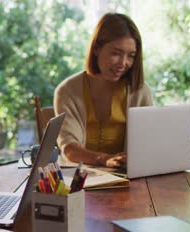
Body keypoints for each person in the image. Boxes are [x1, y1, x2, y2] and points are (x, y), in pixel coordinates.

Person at [54, 13, 153, 168]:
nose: (123, 63)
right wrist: (105, 159)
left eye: (131, 56)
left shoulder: (140, 91)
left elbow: (146, 146)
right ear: (96, 49)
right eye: (116, 53)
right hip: (79, 179)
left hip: (126, 178)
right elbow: (70, 149)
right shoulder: (67, 91)